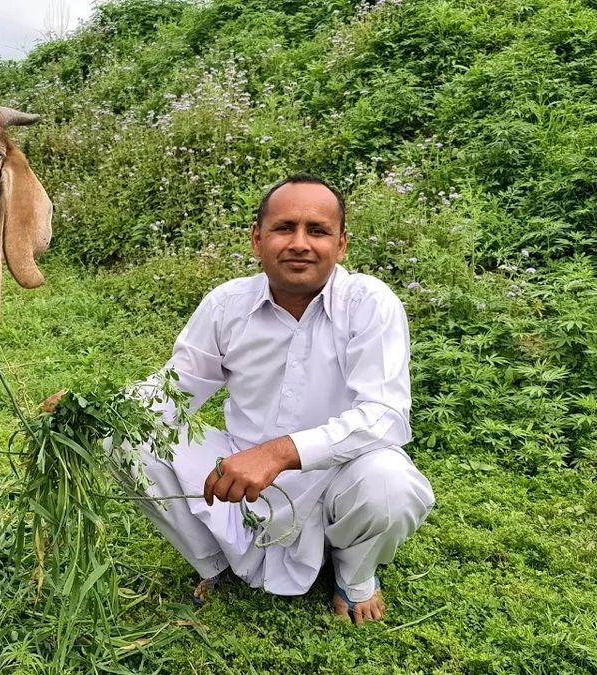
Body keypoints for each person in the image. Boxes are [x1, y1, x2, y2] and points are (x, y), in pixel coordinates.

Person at [48, 174, 434, 623]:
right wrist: (96, 410)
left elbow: (385, 417)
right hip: (239, 479)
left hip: (337, 478)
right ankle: (217, 564)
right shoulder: (227, 304)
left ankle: (355, 573)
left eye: (318, 231)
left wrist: (280, 453)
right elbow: (176, 385)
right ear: (257, 238)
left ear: (342, 244)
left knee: (390, 483)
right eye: (284, 228)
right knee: (123, 440)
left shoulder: (369, 303)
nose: (300, 243)